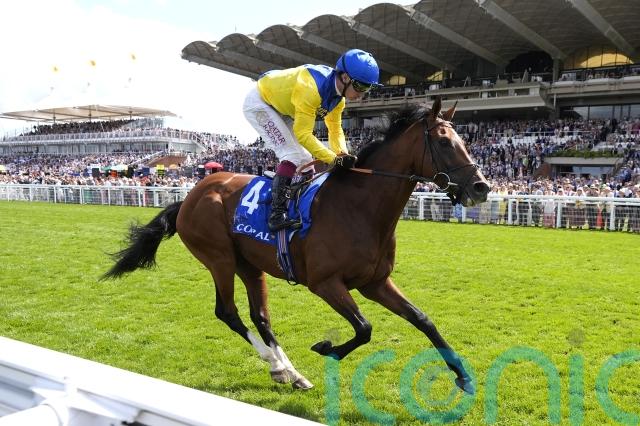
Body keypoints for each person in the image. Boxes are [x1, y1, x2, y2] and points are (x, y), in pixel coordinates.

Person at [243, 49, 381, 231]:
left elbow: (335, 129)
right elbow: (303, 134)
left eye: (367, 88)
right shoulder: (311, 89)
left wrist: (342, 154)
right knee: (292, 155)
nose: (362, 94)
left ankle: (301, 207)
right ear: (345, 77)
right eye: (361, 87)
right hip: (260, 102)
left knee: (306, 160)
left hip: (284, 109)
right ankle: (276, 215)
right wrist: (333, 159)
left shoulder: (338, 100)